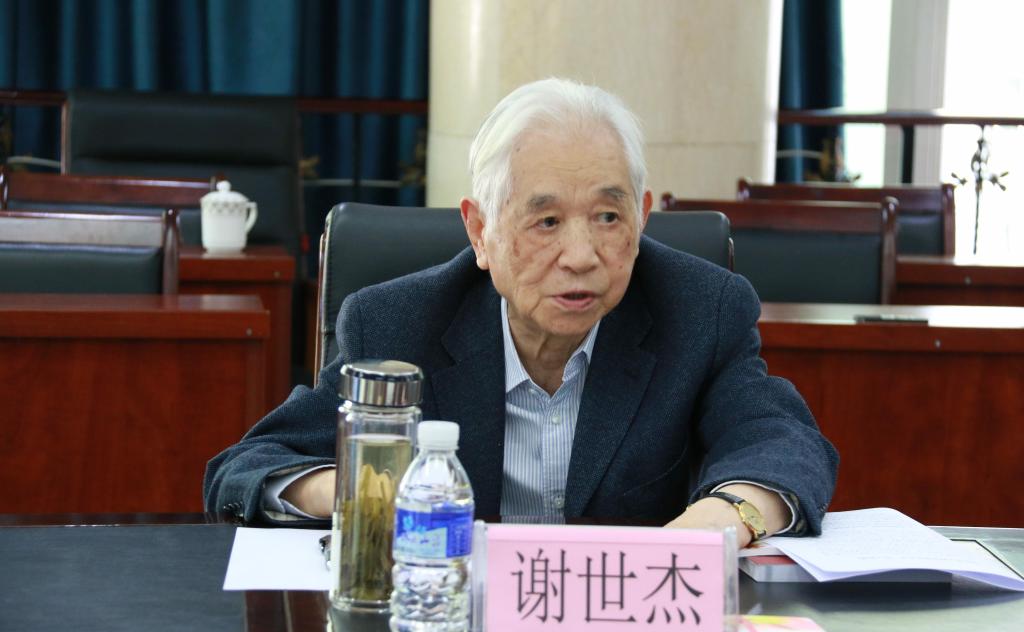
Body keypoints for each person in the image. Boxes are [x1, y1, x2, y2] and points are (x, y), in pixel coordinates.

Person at [204, 78, 838, 547]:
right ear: (480, 232)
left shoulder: (700, 310)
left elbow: (784, 443)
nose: (581, 256)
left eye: (609, 217)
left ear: (642, 217)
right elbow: (245, 468)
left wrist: (726, 517)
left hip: (625, 629)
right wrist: (357, 489)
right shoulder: (397, 324)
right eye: (547, 221)